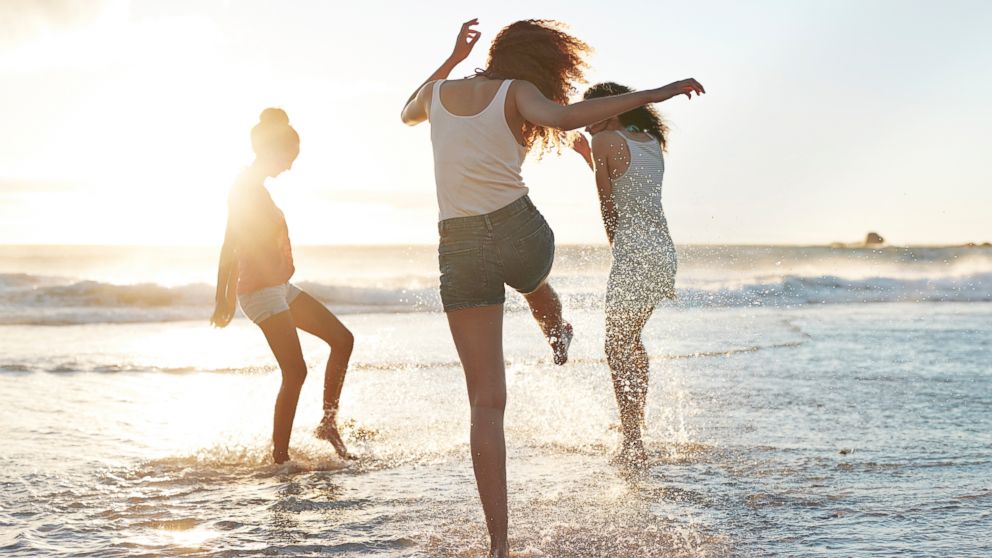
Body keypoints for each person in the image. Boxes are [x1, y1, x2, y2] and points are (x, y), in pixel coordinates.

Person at [400, 19, 704, 557]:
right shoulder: (519, 93)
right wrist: (658, 92)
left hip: (460, 245)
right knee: (533, 280)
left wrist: (450, 58)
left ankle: (498, 544)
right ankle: (556, 324)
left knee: (485, 403)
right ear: (542, 64)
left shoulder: (439, 93)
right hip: (520, 230)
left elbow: (407, 113)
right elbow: (566, 118)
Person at [210, 108, 354, 464]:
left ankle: (327, 424)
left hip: (278, 287)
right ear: (273, 151)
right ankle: (280, 458)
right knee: (296, 371)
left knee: (342, 340)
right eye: (289, 158)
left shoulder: (256, 188)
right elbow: (230, 245)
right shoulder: (244, 188)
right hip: (259, 291)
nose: (290, 166)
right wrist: (222, 299)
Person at [572, 82, 684, 468]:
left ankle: (633, 440)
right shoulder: (651, 141)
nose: (584, 124)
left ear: (612, 110)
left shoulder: (606, 144)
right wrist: (589, 157)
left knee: (616, 347)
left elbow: (608, 204)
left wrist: (616, 251)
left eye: (589, 116)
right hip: (663, 253)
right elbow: (629, 186)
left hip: (635, 254)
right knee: (629, 341)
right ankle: (635, 426)